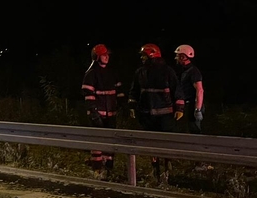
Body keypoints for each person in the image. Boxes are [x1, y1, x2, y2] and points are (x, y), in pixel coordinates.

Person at [128, 43, 185, 184]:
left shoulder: (167, 71)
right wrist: (132, 105)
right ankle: (155, 171)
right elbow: (134, 90)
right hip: (147, 115)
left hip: (165, 115)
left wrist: (179, 108)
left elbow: (177, 90)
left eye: (144, 55)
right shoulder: (140, 72)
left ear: (151, 55)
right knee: (151, 145)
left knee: (164, 144)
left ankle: (166, 170)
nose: (142, 58)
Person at [81, 44, 124, 178]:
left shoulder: (112, 72)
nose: (107, 57)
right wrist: (93, 112)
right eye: (104, 55)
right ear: (97, 57)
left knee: (110, 144)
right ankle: (97, 170)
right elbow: (88, 94)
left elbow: (119, 91)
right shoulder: (91, 73)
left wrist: (122, 104)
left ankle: (109, 169)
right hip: (97, 114)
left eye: (107, 55)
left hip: (111, 114)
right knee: (97, 144)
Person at [174, 45, 204, 134]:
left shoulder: (193, 71)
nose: (176, 58)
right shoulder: (182, 70)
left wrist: (197, 109)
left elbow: (200, 90)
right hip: (185, 104)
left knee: (194, 131)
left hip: (192, 105)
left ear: (183, 57)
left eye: (178, 56)